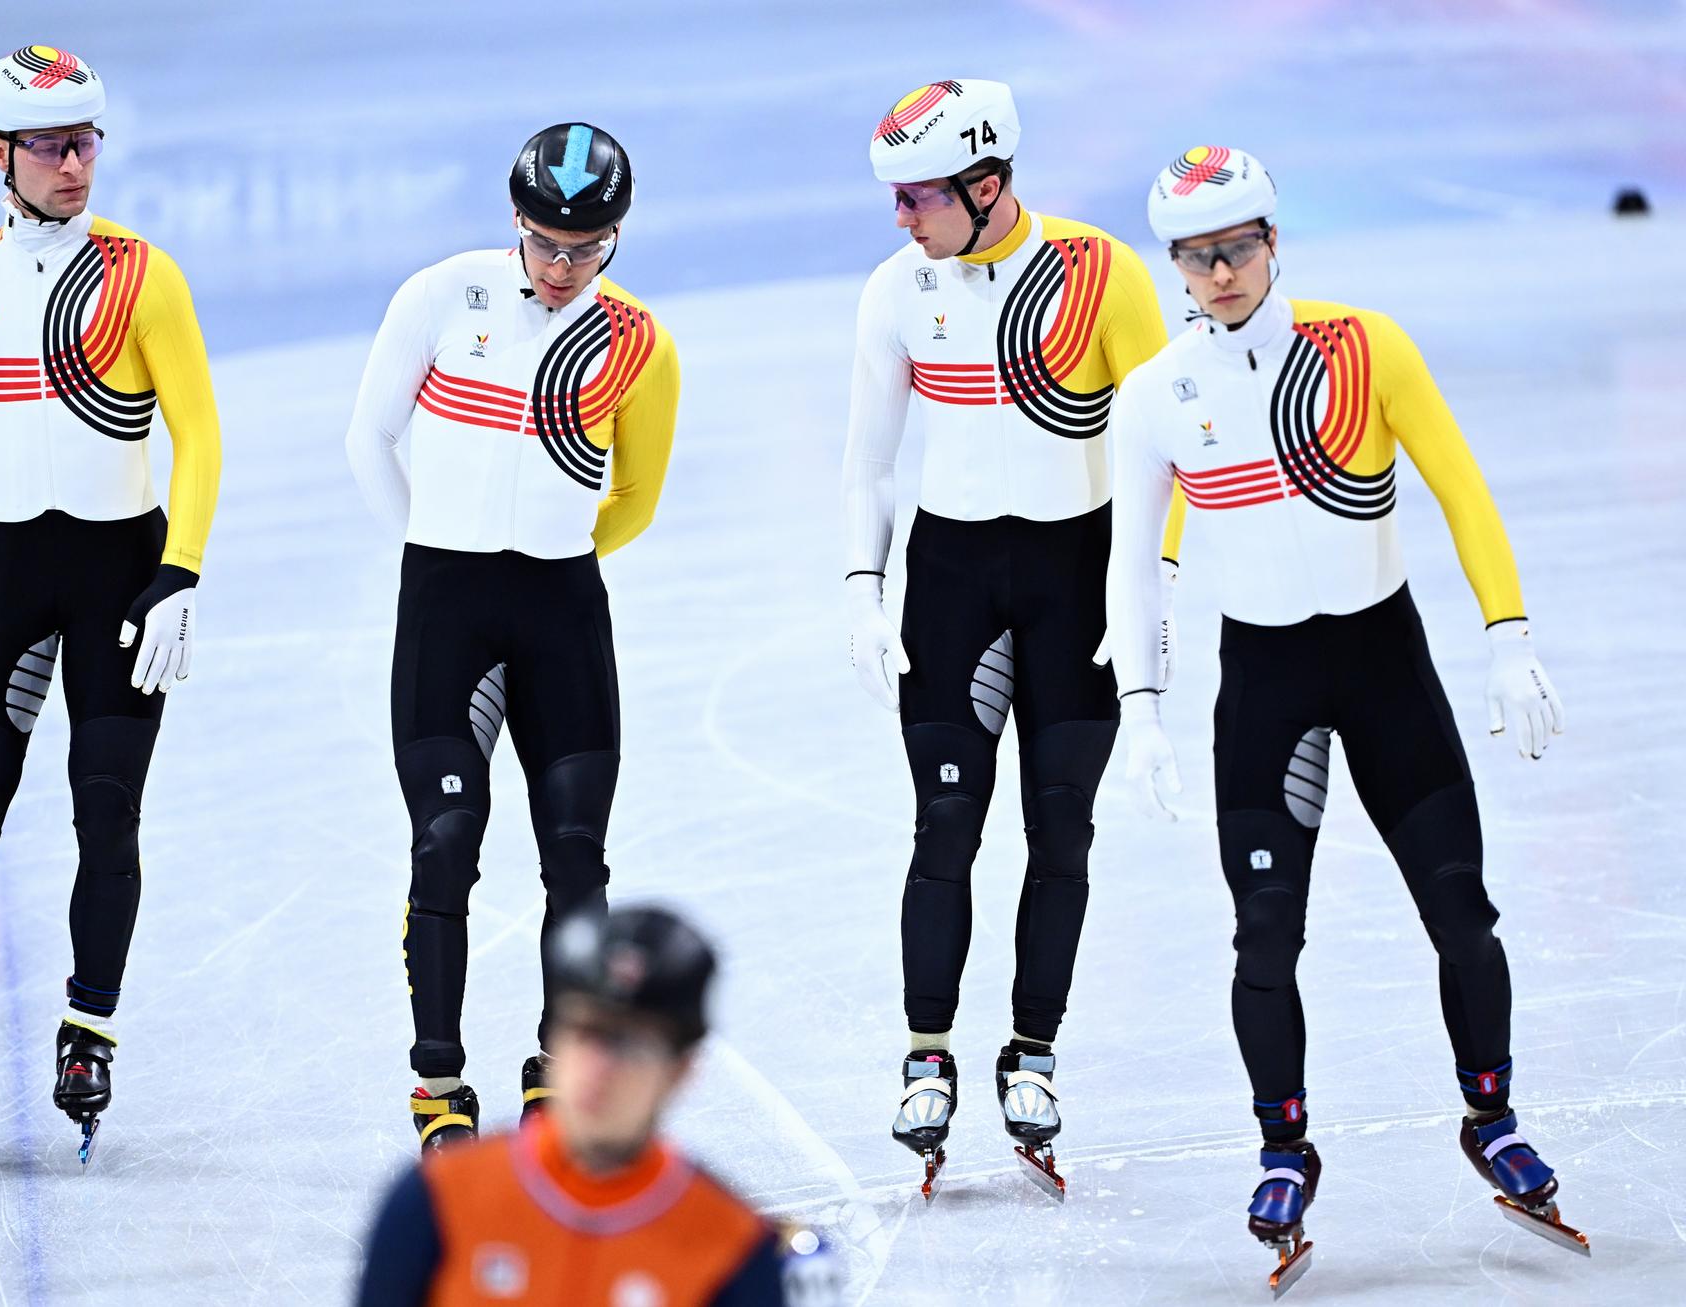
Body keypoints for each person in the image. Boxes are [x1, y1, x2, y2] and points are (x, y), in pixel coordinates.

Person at [1104, 146, 1581, 1288]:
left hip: (1385, 667)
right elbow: (1131, 562)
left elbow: (1463, 487)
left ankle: (1492, 1113)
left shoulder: (1366, 347)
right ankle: (1283, 1145)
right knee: (1265, 931)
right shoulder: (1158, 393)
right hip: (1266, 685)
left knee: (1462, 913)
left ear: (1275, 244)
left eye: (1237, 249)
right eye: (1196, 256)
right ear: (1174, 264)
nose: (1219, 273)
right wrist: (1141, 707)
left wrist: (1509, 638)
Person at [0, 44, 222, 1165]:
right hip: (7, 578)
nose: (76, 165)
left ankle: (90, 1026)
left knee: (105, 812)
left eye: (88, 142)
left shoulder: (143, 275)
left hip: (121, 576)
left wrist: (181, 569)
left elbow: (201, 433)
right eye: (52, 145)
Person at [840, 78, 1180, 1195]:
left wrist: (1155, 583)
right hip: (949, 581)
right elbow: (870, 457)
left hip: (1072, 580)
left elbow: (1166, 446)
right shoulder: (898, 288)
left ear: (989, 186)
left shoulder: (1101, 273)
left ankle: (1032, 1051)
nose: (900, 217)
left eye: (918, 195)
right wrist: (861, 580)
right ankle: (925, 1051)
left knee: (1060, 830)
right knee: (946, 821)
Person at [345, 123, 679, 1151]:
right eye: (546, 243)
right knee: (445, 848)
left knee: (578, 861)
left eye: (588, 248)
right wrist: (437, 544)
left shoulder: (641, 343)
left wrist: (554, 546)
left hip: (562, 612)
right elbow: (370, 435)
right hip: (446, 608)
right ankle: (438, 1080)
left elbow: (636, 497)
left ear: (617, 236)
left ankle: (555, 1066)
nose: (565, 266)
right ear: (516, 223)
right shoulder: (442, 295)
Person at [355, 906, 789, 1306]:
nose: (600, 1068)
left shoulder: (733, 1246)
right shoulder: (436, 1198)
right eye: (584, 1032)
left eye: (631, 1043)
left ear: (681, 1070)